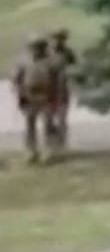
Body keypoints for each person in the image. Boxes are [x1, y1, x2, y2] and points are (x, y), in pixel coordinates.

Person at [13, 37, 59, 165]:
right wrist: (20, 95)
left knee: (48, 124)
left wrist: (56, 98)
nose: (35, 50)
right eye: (33, 47)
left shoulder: (51, 61)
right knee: (29, 125)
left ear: (43, 48)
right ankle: (31, 151)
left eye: (38, 47)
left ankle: (48, 151)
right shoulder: (23, 60)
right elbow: (17, 79)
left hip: (46, 96)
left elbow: (57, 81)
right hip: (29, 96)